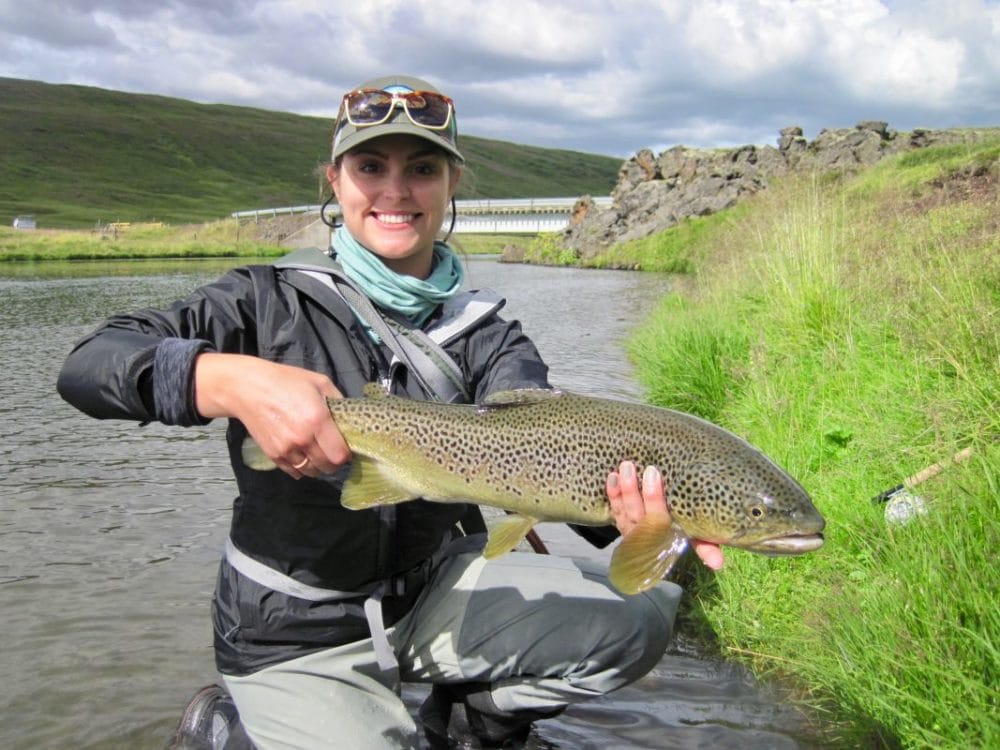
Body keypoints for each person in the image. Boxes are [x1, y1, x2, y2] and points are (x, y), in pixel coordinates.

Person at [57, 74, 724, 750]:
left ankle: (475, 720)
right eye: (371, 166)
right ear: (335, 181)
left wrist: (635, 517)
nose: (396, 190)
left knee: (640, 617)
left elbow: (546, 435)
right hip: (292, 630)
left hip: (431, 595)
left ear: (451, 183)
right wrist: (227, 379)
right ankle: (232, 730)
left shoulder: (485, 330)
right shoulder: (262, 301)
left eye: (422, 168)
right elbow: (89, 364)